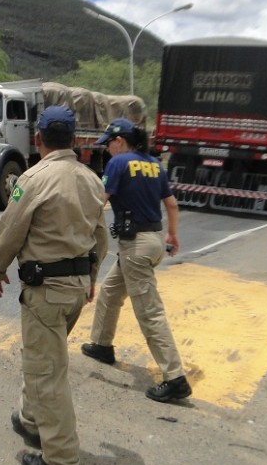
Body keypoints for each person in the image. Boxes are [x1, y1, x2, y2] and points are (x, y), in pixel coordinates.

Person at [0, 106, 108, 465]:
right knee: (44, 358)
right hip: (74, 290)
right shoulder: (92, 180)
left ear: (38, 139)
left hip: (46, 291)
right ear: (74, 140)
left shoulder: (33, 179)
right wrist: (90, 277)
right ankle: (30, 419)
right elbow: (100, 238)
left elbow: (10, 231)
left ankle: (61, 458)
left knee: (48, 371)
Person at [80, 118, 192, 403]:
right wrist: (173, 235)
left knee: (150, 312)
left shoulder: (119, 164)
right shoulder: (155, 164)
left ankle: (175, 377)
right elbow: (171, 204)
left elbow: (98, 201)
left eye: (107, 144)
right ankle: (102, 345)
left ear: (119, 141)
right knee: (110, 292)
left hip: (135, 248)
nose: (106, 150)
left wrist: (78, 231)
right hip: (153, 242)